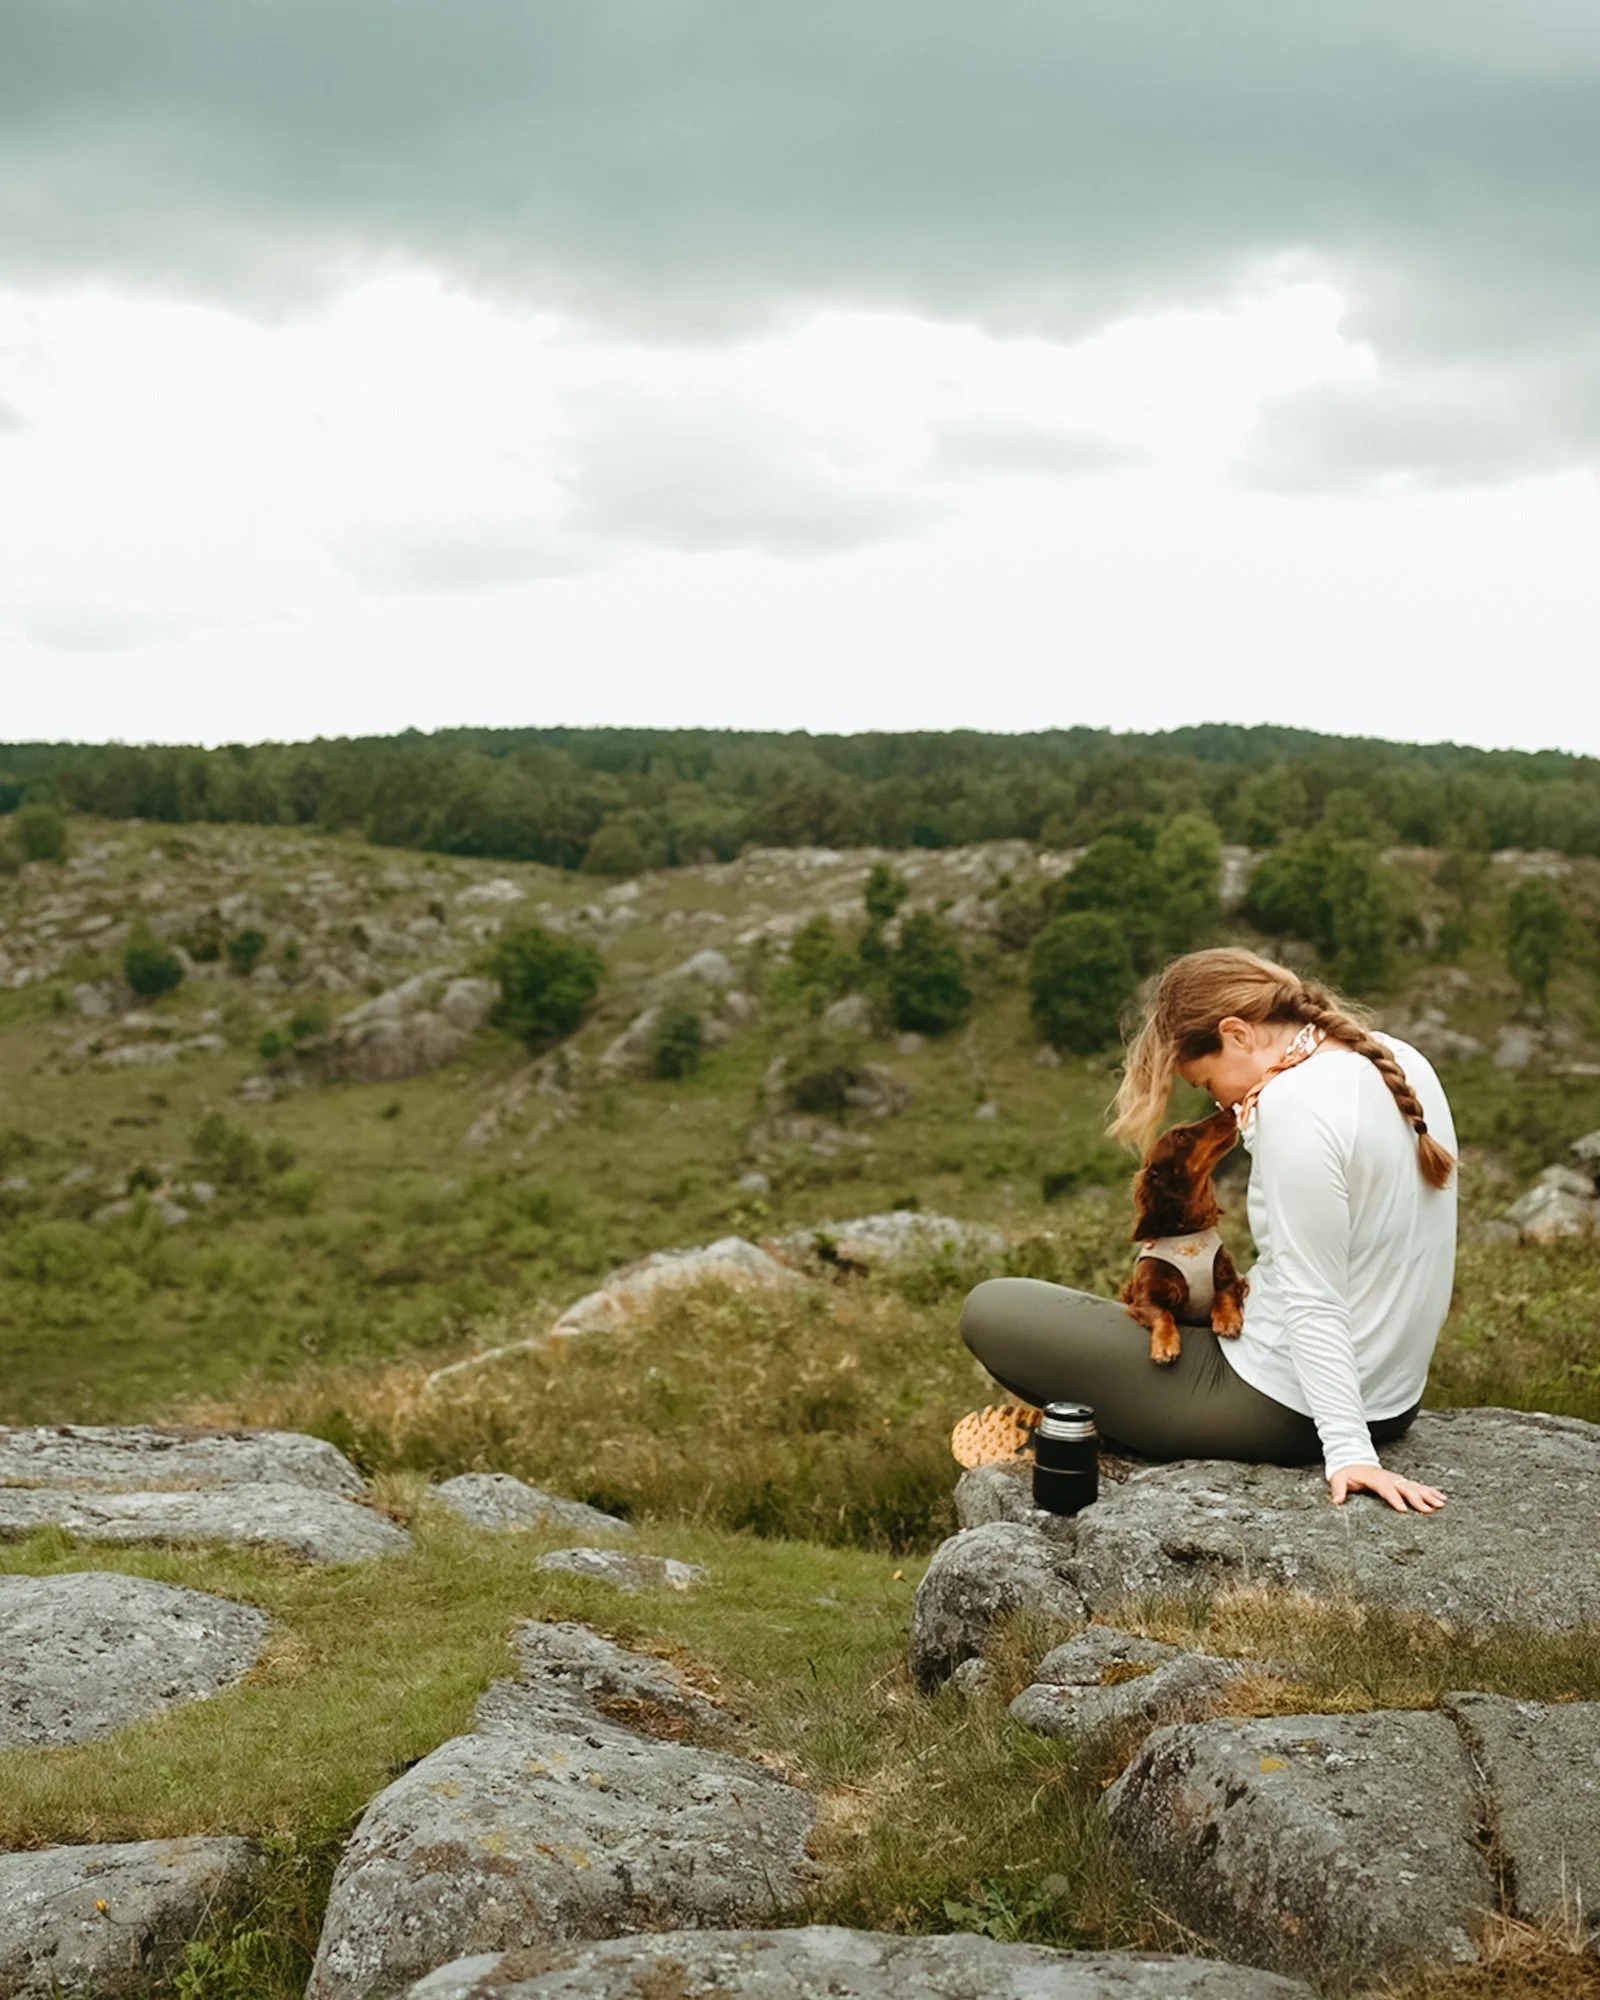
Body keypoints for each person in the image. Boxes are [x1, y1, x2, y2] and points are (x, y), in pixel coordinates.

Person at [960, 947, 1458, 1514]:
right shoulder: (1399, 1059)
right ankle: (1125, 1416)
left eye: (1206, 1081)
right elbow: (1419, 1247)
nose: (1217, 1100)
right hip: (1394, 1398)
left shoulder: (1293, 1105)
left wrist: (1349, 1451)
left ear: (1237, 1034)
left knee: (991, 1307)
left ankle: (1102, 1431)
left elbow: (1313, 1296)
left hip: (1284, 1407)